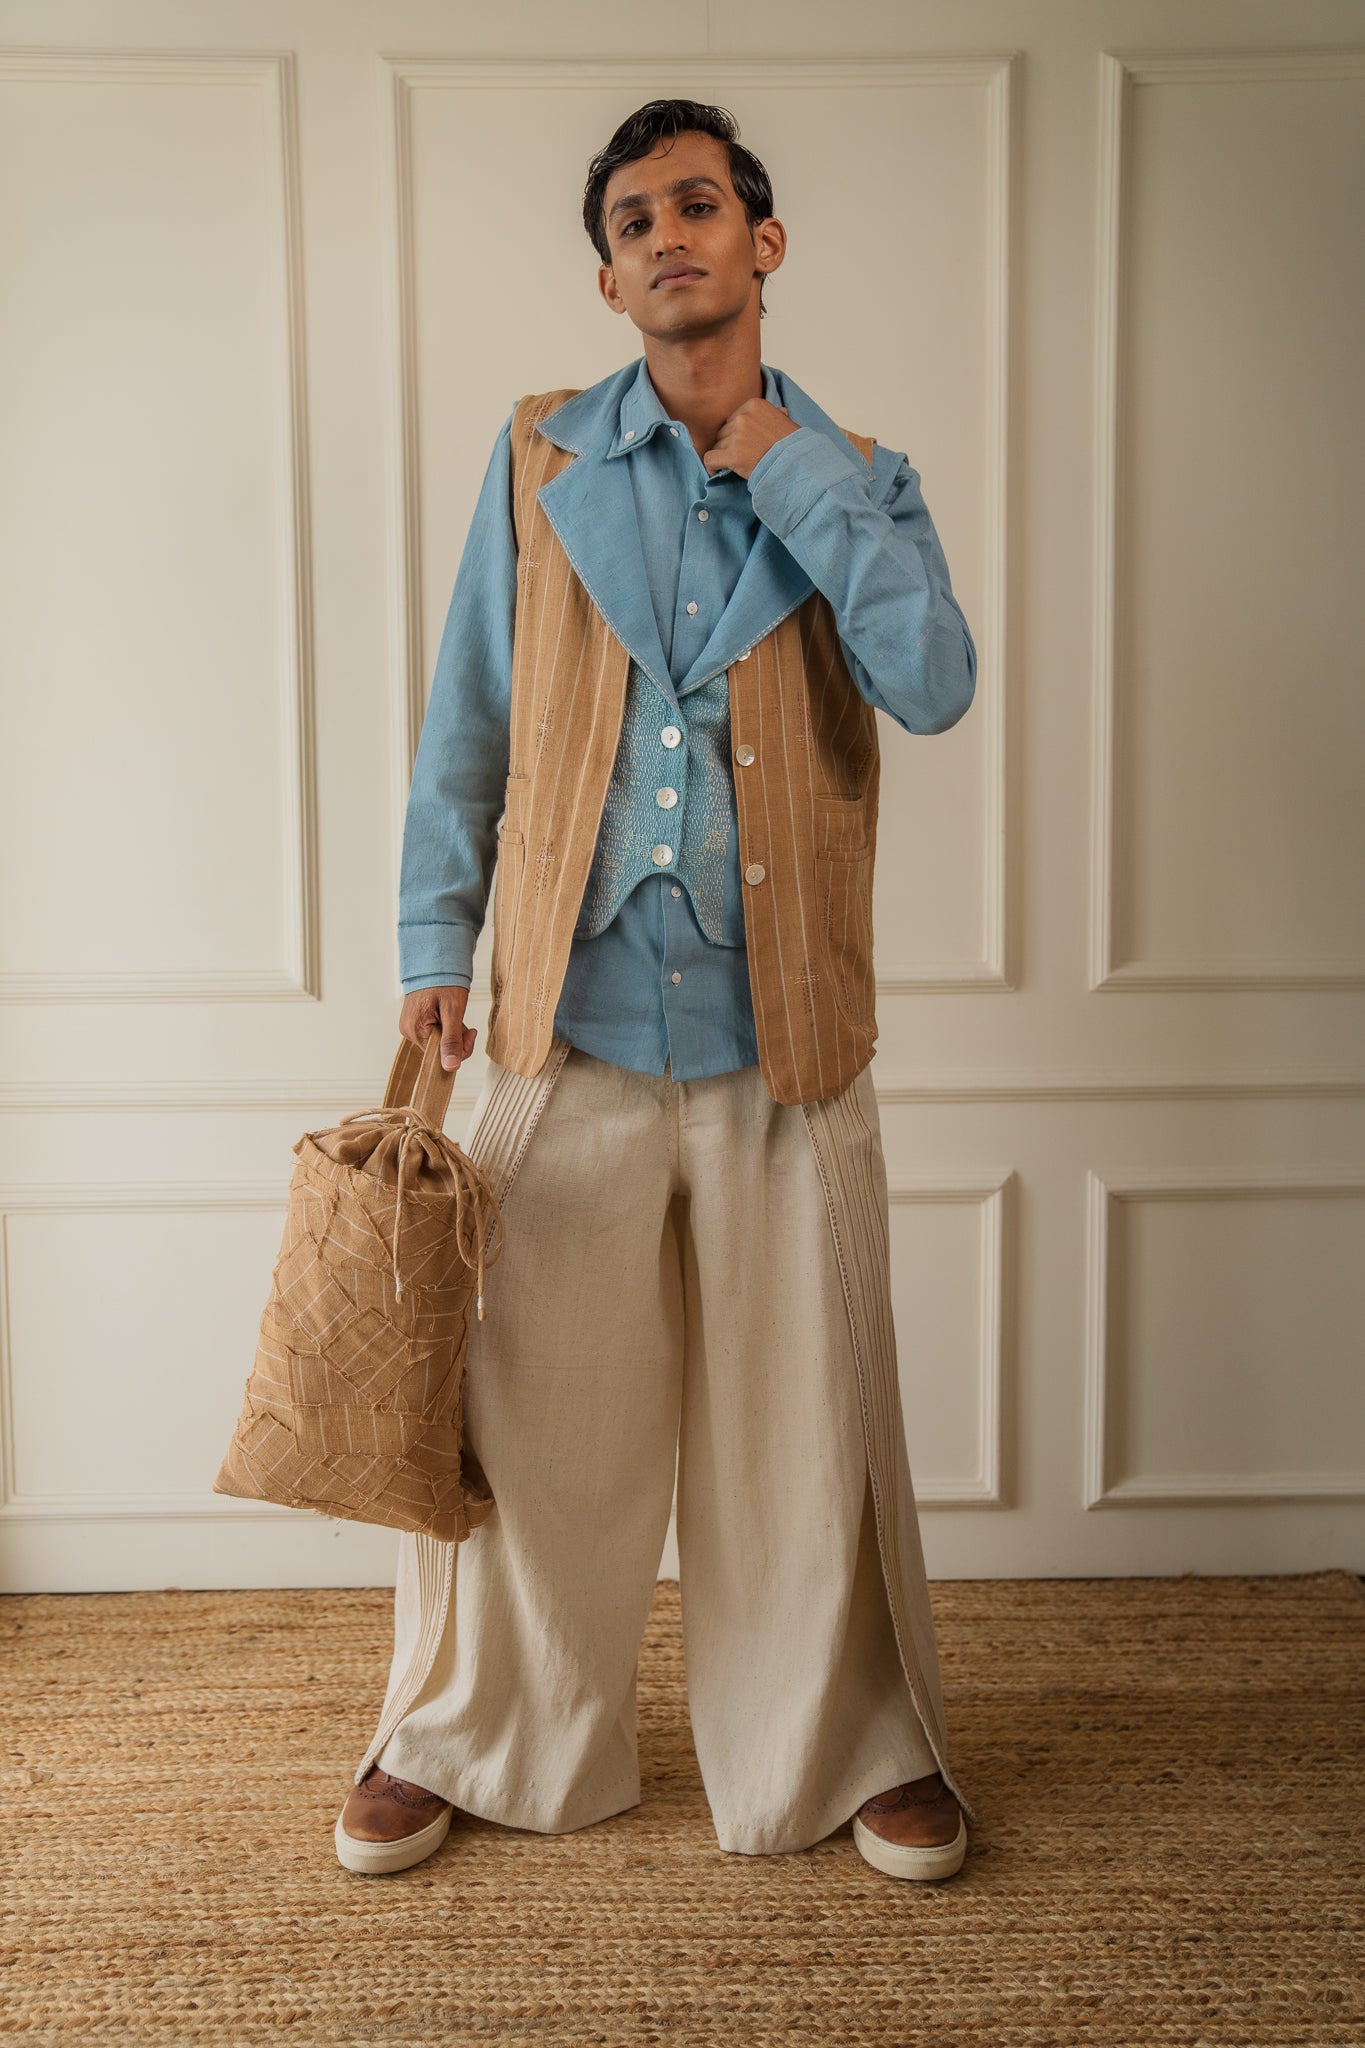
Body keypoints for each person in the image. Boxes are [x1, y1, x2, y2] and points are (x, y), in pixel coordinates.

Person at [335, 97, 978, 1883]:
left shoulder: (860, 474)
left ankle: (848, 1744)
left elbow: (931, 680)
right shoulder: (539, 456)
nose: (666, 235)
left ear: (760, 243)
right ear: (608, 280)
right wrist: (433, 945)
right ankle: (471, 1730)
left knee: (804, 1430)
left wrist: (788, 466)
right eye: (633, 221)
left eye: (697, 205)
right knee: (528, 1424)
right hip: (566, 1023)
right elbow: (466, 717)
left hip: (789, 1035)